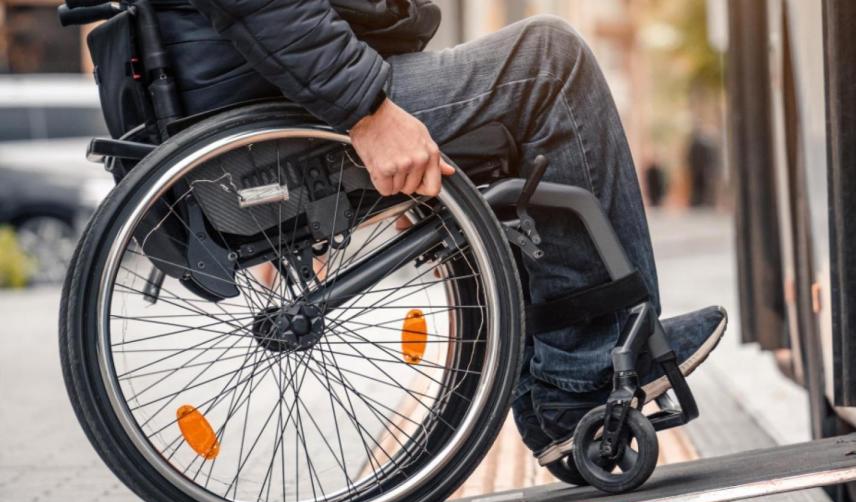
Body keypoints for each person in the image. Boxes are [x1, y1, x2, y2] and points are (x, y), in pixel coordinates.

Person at [176, 0, 727, 465]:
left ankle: (559, 392)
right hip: (271, 105)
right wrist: (368, 114)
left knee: (527, 83)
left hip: (256, 86)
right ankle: (587, 368)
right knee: (551, 65)